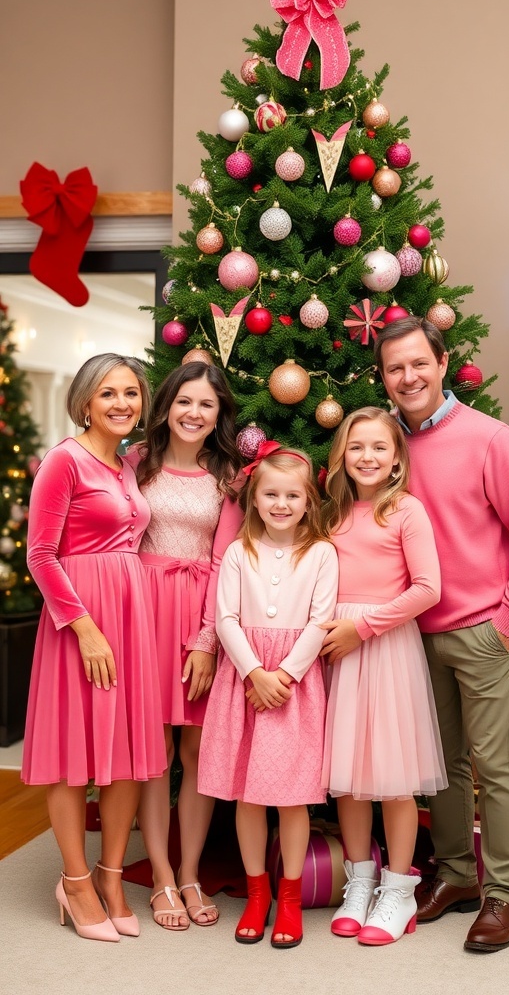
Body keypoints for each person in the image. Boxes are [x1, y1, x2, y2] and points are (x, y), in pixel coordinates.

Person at [374, 316, 509, 953]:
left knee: (493, 767)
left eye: (418, 364)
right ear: (384, 378)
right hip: (414, 635)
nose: (408, 377)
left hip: (484, 630)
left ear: (443, 363)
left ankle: (503, 894)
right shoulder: (385, 443)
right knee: (439, 766)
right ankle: (455, 875)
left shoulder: (490, 438)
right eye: (396, 369)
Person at [21, 353, 166, 942]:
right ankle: (75, 882)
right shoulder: (64, 461)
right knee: (76, 756)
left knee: (128, 750)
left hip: (132, 616)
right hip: (82, 622)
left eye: (131, 393)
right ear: (84, 401)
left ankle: (110, 876)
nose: (122, 404)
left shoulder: (128, 464)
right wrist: (83, 628)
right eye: (108, 394)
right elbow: (40, 555)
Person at [198, 442, 339, 948]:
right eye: (271, 494)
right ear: (255, 499)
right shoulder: (239, 551)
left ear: (308, 502)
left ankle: (292, 898)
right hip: (244, 681)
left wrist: (284, 676)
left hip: (295, 687)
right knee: (248, 795)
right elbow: (226, 619)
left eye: (293, 496)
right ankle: (257, 894)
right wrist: (255, 672)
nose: (281, 504)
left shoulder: (322, 553)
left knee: (291, 797)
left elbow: (320, 620)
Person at [320, 407, 447, 947]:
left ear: (396, 458)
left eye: (378, 447)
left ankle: (397, 891)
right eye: (356, 447)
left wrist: (363, 628)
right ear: (341, 456)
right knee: (348, 779)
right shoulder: (328, 513)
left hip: (385, 647)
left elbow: (427, 588)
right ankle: (360, 882)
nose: (367, 457)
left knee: (393, 780)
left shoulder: (407, 511)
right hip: (336, 651)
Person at [125, 361, 244, 931]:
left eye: (207, 405)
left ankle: (191, 871)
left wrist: (205, 641)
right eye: (185, 402)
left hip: (200, 616)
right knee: (153, 756)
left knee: (196, 754)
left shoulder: (227, 477)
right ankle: (163, 878)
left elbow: (225, 562)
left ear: (219, 415)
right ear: (167, 406)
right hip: (141, 614)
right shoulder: (134, 463)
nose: (194, 414)